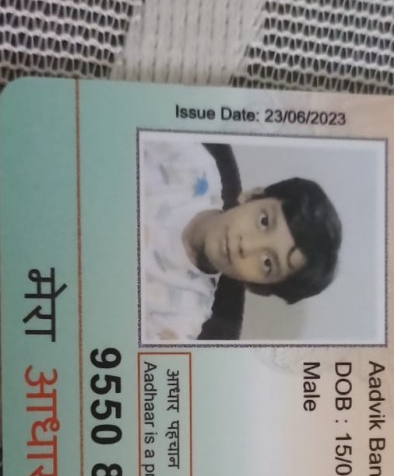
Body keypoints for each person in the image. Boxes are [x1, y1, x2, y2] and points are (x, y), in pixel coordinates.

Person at [139, 138, 342, 343]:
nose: (247, 246)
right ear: (251, 196)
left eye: (267, 263)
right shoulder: (191, 163)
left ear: (257, 287)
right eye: (264, 221)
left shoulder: (184, 316)